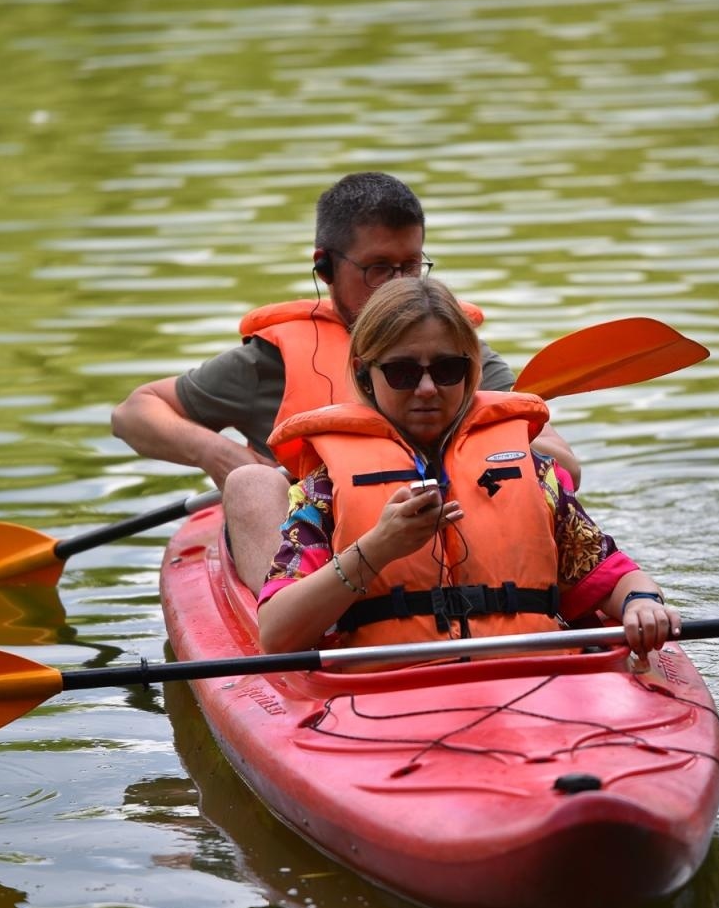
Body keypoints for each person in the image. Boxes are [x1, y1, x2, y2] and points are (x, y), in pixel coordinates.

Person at [110, 172, 579, 592]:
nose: (398, 284)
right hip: (315, 563)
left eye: (411, 266)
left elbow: (563, 467)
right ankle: (286, 632)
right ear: (326, 268)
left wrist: (475, 447)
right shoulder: (268, 363)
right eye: (378, 269)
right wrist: (220, 454)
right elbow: (134, 412)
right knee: (251, 482)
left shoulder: (453, 357)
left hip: (453, 555)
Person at [256, 278, 681, 660]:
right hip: (389, 698)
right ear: (365, 375)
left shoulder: (533, 473)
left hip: (537, 687)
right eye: (403, 372)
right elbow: (276, 634)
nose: (427, 390)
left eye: (447, 370)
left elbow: (614, 575)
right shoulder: (325, 487)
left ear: (470, 371)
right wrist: (380, 547)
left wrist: (641, 602)